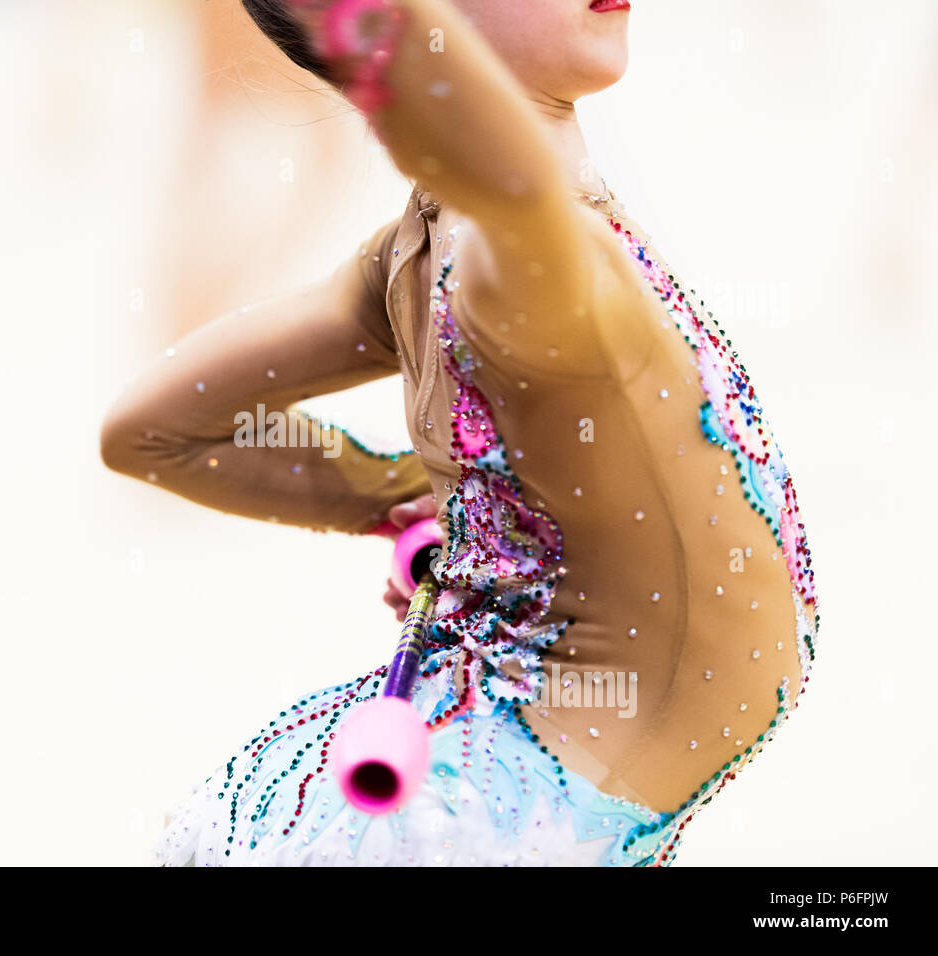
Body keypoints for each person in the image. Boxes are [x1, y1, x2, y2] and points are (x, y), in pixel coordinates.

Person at [100, 0, 819, 866]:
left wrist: (434, 504)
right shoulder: (505, 262)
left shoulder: (413, 255)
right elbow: (516, 198)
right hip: (497, 820)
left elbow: (153, 431)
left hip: (508, 774)